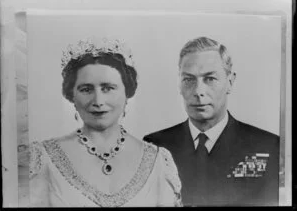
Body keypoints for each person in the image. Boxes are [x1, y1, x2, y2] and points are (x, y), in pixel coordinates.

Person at [29, 37, 182, 207]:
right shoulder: (43, 159)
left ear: (127, 93)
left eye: (108, 88)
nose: (98, 101)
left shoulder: (158, 161)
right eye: (86, 89)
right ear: (72, 95)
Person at [143, 37, 279, 206]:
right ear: (179, 84)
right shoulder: (154, 147)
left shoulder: (270, 147)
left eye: (210, 79)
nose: (198, 91)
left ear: (230, 82)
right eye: (189, 79)